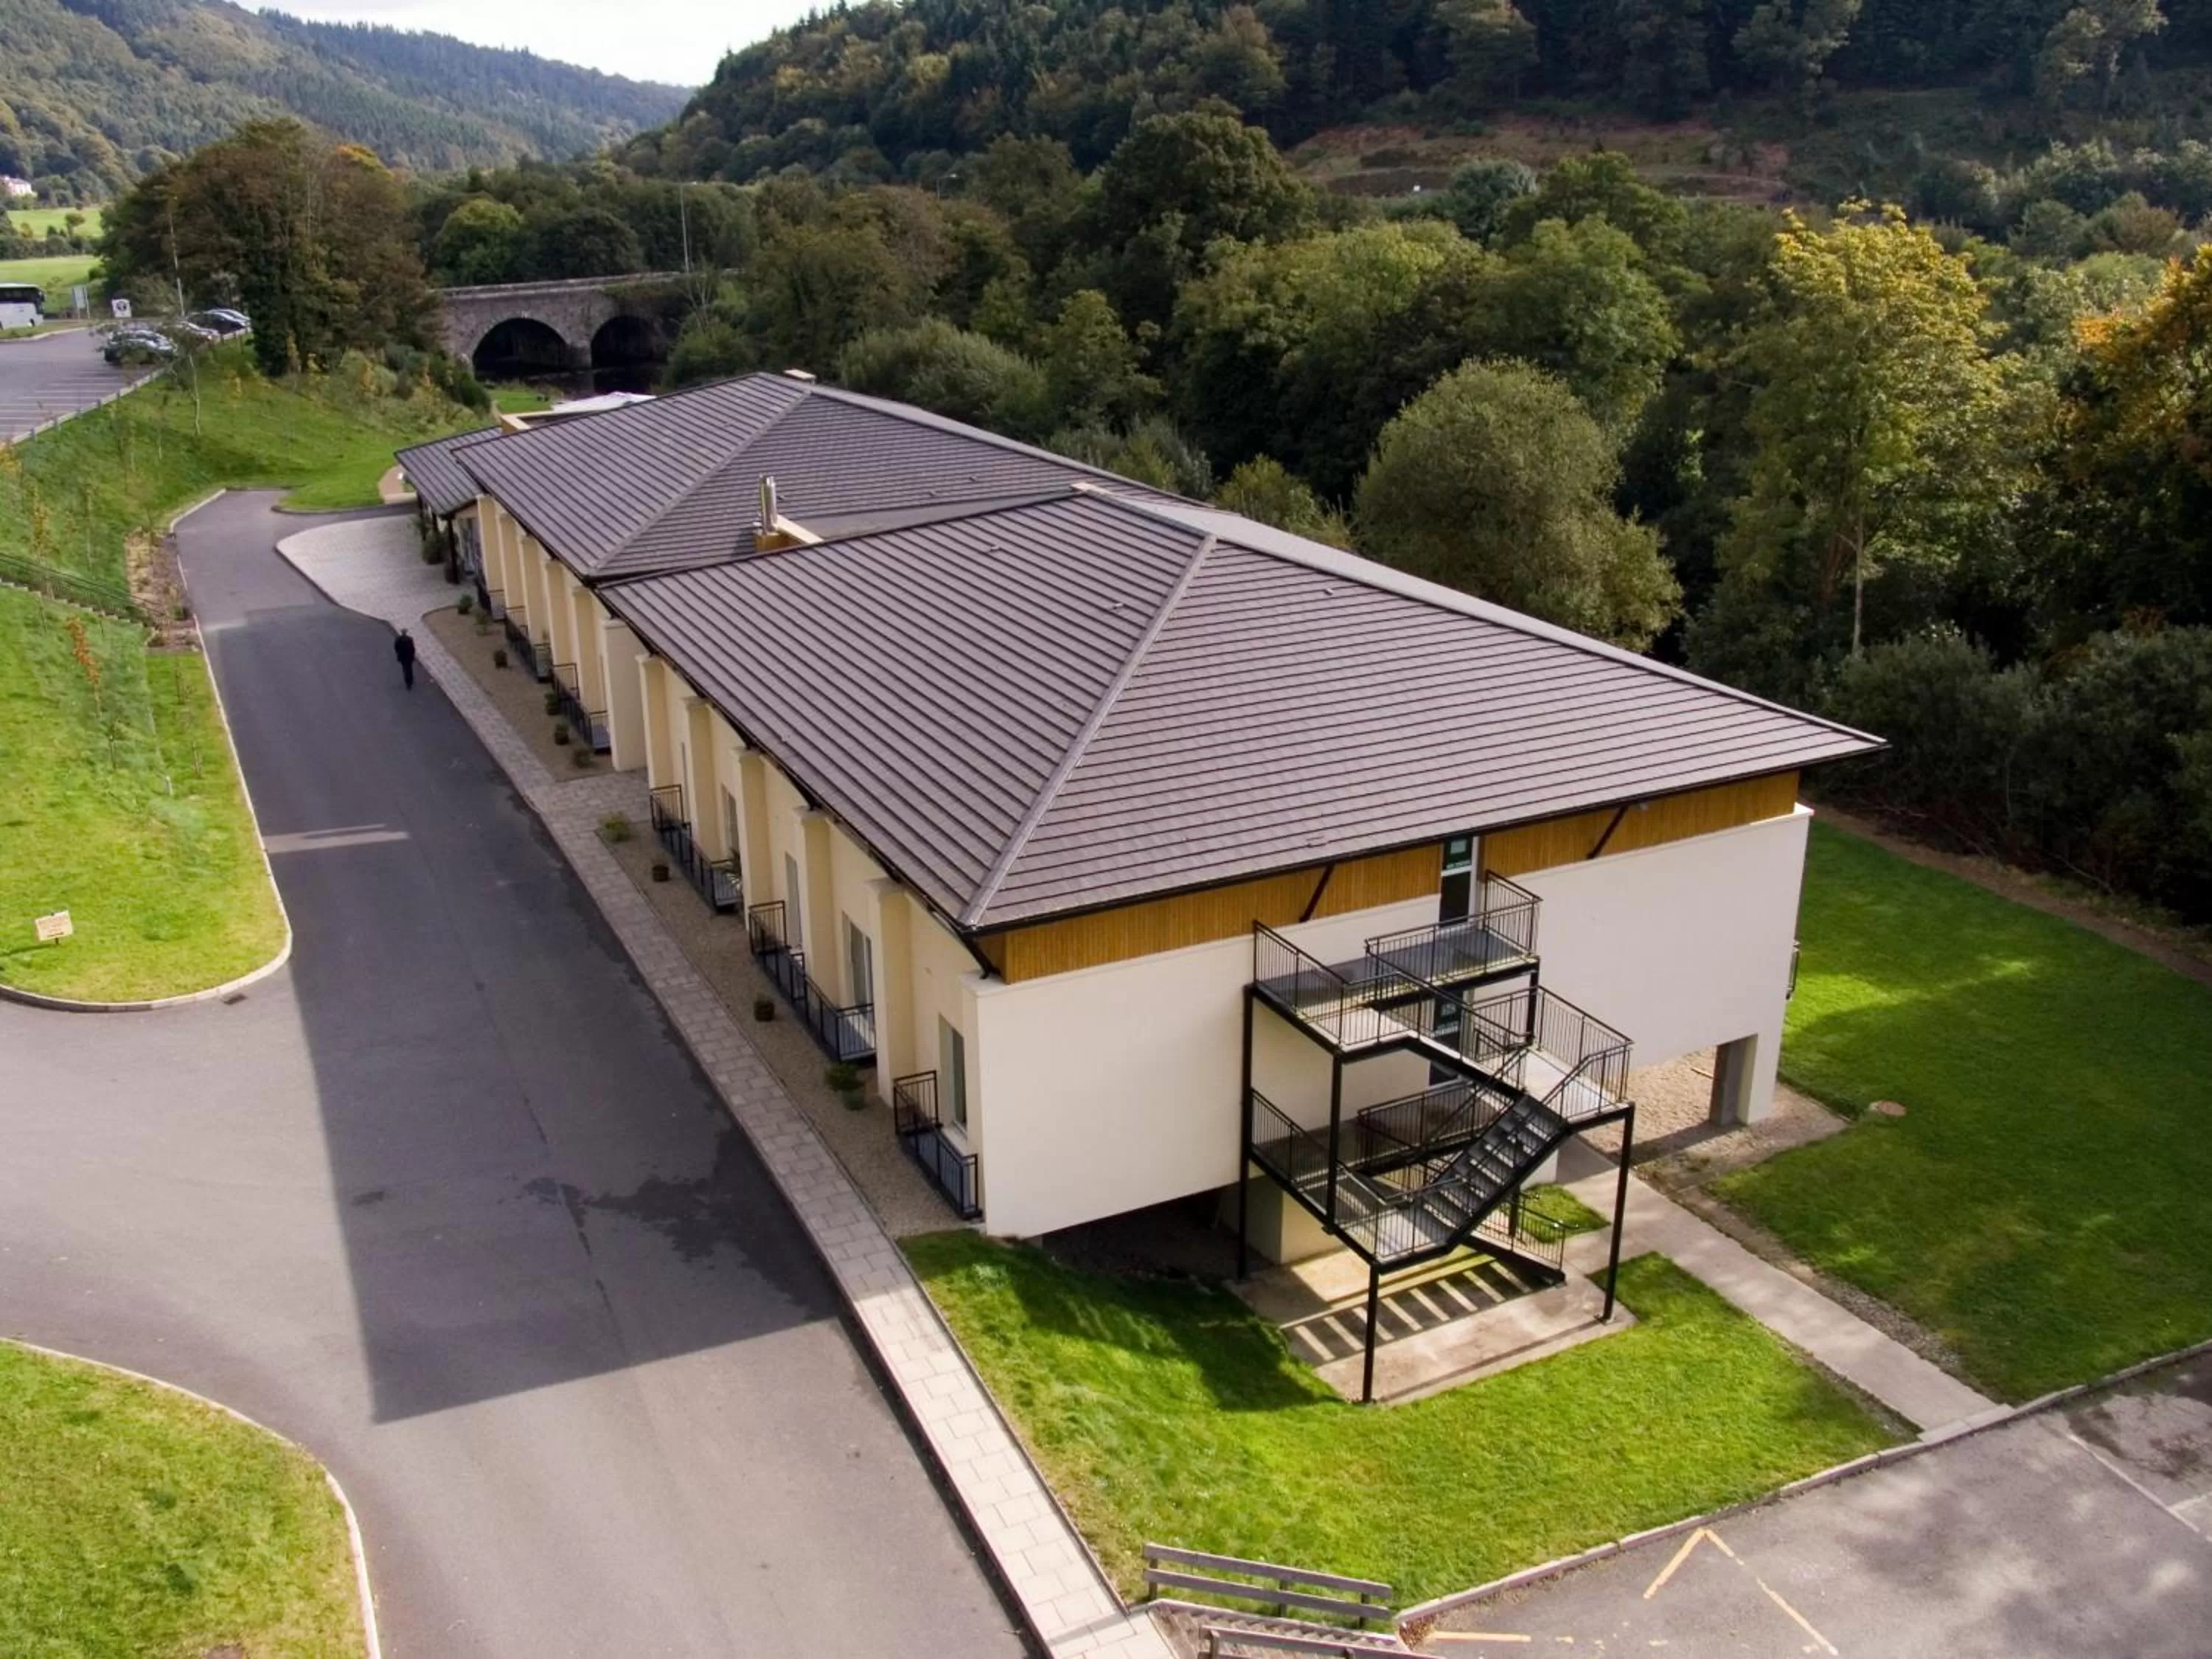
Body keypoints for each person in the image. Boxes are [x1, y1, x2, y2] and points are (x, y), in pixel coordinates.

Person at [394, 627, 417, 691]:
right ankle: (411, 679)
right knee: (410, 668)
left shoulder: (398, 640)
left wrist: (399, 653)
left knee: (405, 668)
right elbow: (413, 649)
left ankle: (407, 682)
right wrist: (413, 655)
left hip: (402, 656)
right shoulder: (410, 639)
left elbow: (396, 648)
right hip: (409, 656)